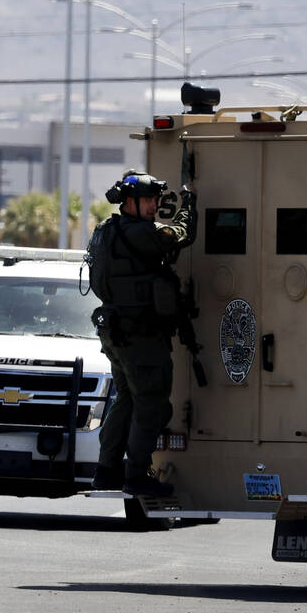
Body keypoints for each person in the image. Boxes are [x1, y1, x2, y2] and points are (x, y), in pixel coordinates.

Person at [87, 170, 196, 496]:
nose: (153, 206)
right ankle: (136, 474)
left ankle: (106, 471)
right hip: (141, 337)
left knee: (126, 401)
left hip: (116, 333)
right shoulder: (140, 234)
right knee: (151, 404)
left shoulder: (107, 230)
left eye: (155, 201)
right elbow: (181, 234)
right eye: (148, 201)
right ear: (130, 203)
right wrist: (189, 204)